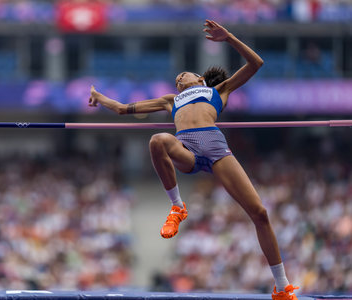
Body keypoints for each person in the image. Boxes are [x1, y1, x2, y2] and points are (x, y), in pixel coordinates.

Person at [88, 20, 299, 300]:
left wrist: (229, 38)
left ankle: (282, 286)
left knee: (259, 213)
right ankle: (177, 206)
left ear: (199, 78)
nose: (178, 79)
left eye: (183, 75)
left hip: (215, 148)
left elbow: (256, 63)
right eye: (176, 80)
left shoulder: (218, 90)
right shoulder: (169, 100)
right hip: (186, 149)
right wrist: (99, 97)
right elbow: (122, 109)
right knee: (158, 140)